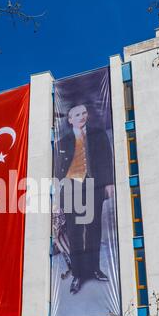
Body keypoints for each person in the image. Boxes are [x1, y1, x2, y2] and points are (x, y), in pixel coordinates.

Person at [55, 104, 114, 295]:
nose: (81, 116)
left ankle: (94, 269)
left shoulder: (98, 134)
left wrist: (109, 183)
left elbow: (107, 159)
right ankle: (78, 275)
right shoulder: (62, 142)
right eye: (77, 114)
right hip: (71, 188)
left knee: (94, 228)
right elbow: (57, 169)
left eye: (84, 113)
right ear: (70, 119)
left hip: (93, 186)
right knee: (74, 232)